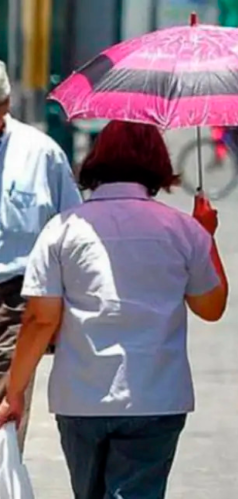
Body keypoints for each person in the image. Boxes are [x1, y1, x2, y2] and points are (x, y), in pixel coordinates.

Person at [0, 121, 228, 499]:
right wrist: (207, 236)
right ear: (157, 163)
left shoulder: (61, 230)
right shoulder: (182, 230)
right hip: (156, 396)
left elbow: (41, 319)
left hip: (81, 397)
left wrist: (16, 391)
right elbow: (211, 306)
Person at [0, 60, 82, 454]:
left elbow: (73, 228)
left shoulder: (41, 154)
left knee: (4, 416)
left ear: (6, 103)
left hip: (16, 302)